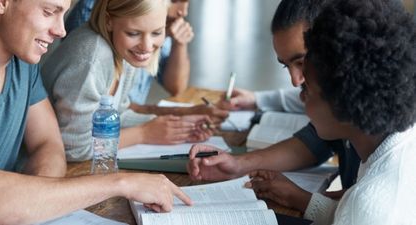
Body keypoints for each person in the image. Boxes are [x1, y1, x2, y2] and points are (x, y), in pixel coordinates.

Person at [0, 0, 191, 224]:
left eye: (63, 14)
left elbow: (49, 143)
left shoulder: (22, 59)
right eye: (48, 12)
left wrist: (32, 203)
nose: (61, 30)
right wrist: (122, 183)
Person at [188, 0, 361, 212]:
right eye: (286, 65)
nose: (295, 80)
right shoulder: (336, 111)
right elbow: (314, 142)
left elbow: (369, 207)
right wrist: (238, 165)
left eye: (302, 61)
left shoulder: (387, 127)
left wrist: (301, 199)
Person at [252, 0, 416, 223]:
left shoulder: (370, 204)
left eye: (308, 91)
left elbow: (359, 214)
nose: (300, 94)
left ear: (345, 100)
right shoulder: (395, 145)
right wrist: (296, 196)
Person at [41, 0, 220, 162]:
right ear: (109, 21)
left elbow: (119, 112)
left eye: (157, 32)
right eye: (134, 33)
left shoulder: (122, 47)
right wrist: (143, 134)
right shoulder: (92, 57)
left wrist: (179, 129)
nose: (147, 46)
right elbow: (73, 148)